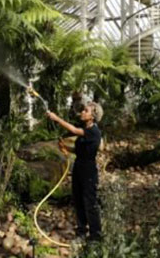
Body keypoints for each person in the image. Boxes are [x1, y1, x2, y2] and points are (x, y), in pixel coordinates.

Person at [46, 102, 102, 242]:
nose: (82, 112)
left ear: (93, 116)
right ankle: (81, 232)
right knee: (78, 200)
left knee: (90, 202)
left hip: (89, 170)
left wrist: (57, 119)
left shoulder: (94, 131)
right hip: (78, 167)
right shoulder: (85, 130)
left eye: (86, 110)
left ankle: (96, 236)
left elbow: (74, 130)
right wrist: (65, 148)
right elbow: (78, 150)